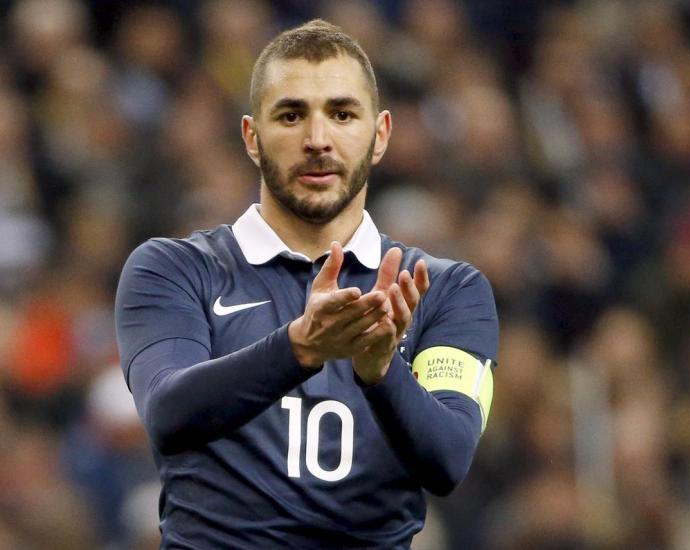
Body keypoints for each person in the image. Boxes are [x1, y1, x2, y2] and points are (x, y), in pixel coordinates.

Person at [115, 19, 498, 549]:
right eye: (291, 115)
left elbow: (449, 460)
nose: (317, 140)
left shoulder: (446, 290)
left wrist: (381, 369)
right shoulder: (173, 269)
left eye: (342, 114)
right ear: (252, 137)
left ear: (380, 134)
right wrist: (299, 347)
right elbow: (168, 413)